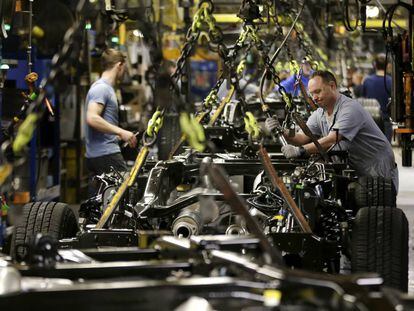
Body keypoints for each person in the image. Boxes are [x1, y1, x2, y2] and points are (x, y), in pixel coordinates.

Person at [266, 70, 398, 192]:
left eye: (318, 91)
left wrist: (300, 151)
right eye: (312, 94)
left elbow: (332, 139)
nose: (314, 97)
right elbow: (301, 136)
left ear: (332, 86)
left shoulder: (350, 109)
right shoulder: (320, 114)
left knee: (379, 215)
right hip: (360, 172)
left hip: (379, 170)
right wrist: (282, 131)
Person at [85, 48, 137, 176]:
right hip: (106, 155)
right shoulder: (101, 88)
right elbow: (92, 118)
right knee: (126, 193)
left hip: (100, 154)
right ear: (119, 65)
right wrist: (121, 131)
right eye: (124, 67)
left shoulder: (106, 88)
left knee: (105, 195)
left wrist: (115, 135)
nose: (125, 72)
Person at [362, 54, 393, 141]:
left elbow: (364, 100)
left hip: (370, 121)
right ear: (387, 65)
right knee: (385, 149)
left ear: (375, 65)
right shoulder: (391, 82)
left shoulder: (367, 81)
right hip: (386, 120)